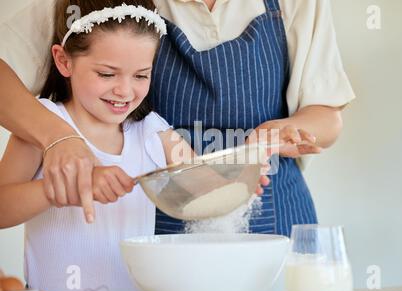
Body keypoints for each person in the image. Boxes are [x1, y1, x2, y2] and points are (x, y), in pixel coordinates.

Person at [0, 0, 355, 237]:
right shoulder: (97, 5)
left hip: (279, 218)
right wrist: (57, 137)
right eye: (109, 74)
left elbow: (328, 116)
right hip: (153, 241)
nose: (124, 89)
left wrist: (282, 131)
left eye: (141, 74)